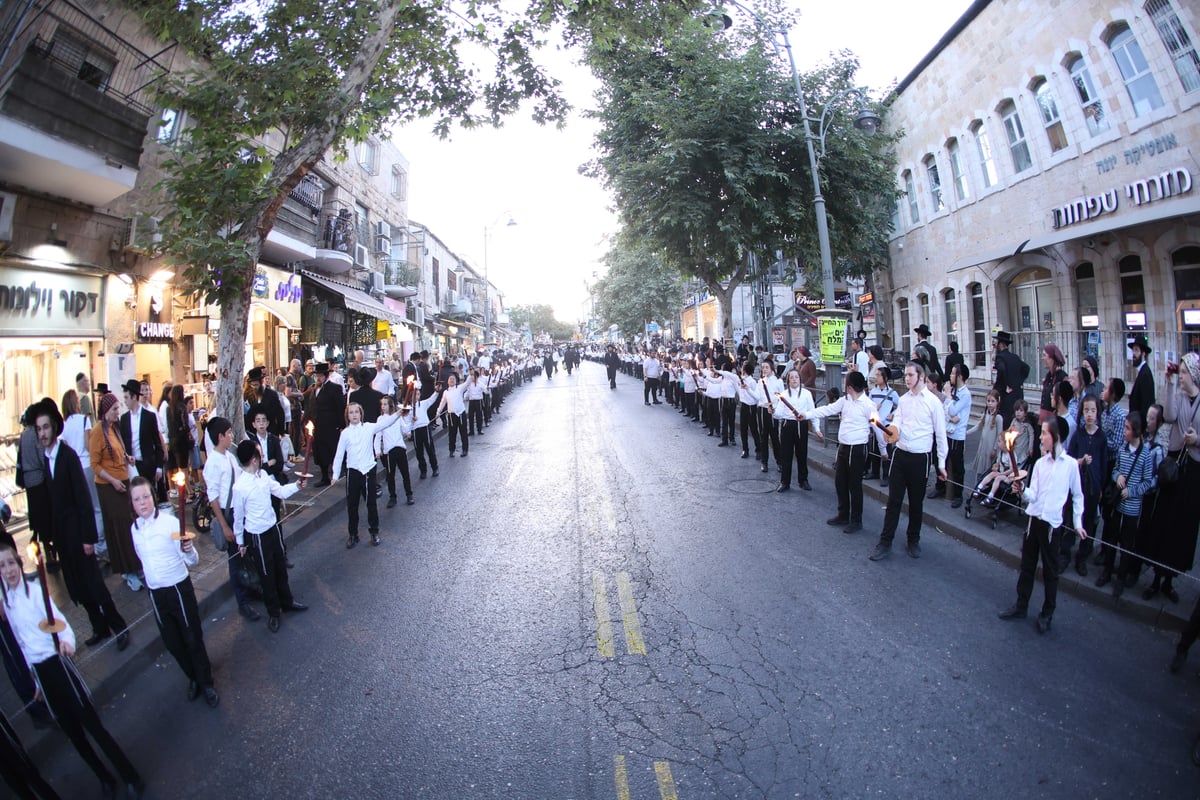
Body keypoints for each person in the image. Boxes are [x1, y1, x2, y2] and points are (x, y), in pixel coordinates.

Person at [0, 542, 143, 798]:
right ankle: (104, 777)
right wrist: (34, 681)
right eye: (2, 566)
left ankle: (130, 774)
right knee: (75, 736)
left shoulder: (36, 592)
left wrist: (67, 641)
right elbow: (21, 644)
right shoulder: (7, 605)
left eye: (11, 563)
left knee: (93, 726)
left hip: (59, 665)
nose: (8, 570)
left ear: (19, 564)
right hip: (43, 678)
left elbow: (61, 623)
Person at [35, 402, 132, 654]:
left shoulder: (67, 458)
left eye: (46, 427)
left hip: (79, 535)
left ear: (54, 428)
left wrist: (89, 537)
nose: (43, 433)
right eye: (39, 429)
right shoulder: (45, 460)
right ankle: (98, 627)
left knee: (95, 585)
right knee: (77, 586)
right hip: (63, 538)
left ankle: (119, 626)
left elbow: (83, 499)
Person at [127, 477, 218, 707]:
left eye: (146, 496)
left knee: (192, 637)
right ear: (132, 503)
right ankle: (192, 677)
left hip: (178, 588)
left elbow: (193, 560)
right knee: (173, 642)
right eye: (137, 499)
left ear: (153, 497)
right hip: (157, 594)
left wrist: (188, 550)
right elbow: (142, 559)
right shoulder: (134, 530)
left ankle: (206, 682)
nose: (142, 502)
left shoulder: (169, 523)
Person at [997, 417, 1087, 633]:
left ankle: (1047, 613)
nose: (1040, 436)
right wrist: (1022, 491)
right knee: (1027, 566)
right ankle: (1021, 605)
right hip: (1033, 522)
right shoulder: (1039, 464)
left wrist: (1077, 523)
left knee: (1050, 572)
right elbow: (1033, 495)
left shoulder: (1071, 466)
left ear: (1055, 437)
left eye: (1044, 433)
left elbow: (1077, 496)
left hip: (1051, 527)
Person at [870, 360, 949, 561]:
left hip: (920, 458)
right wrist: (892, 431)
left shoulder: (933, 403)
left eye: (910, 375)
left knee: (916, 503)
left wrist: (941, 463)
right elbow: (897, 420)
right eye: (905, 375)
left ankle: (913, 540)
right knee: (893, 501)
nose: (906, 378)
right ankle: (884, 542)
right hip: (901, 455)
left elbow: (940, 434)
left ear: (921, 377)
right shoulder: (904, 400)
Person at [232, 441, 306, 633]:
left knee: (280, 567)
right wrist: (240, 542)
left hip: (273, 529)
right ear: (254, 460)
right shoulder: (240, 487)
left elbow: (279, 491)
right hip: (257, 536)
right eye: (259, 453)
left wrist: (297, 485)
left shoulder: (263, 475)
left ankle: (287, 601)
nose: (262, 456)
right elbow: (238, 518)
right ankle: (274, 612)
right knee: (267, 575)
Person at [1145, 353, 1200, 604]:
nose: (1183, 375)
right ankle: (1156, 578)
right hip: (1174, 464)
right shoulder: (1178, 397)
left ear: (1194, 375)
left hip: (1193, 469)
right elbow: (1168, 417)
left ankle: (1169, 580)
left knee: (1182, 525)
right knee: (1164, 520)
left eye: (1186, 372)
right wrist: (1168, 382)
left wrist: (1197, 440)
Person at [202, 416, 261, 622]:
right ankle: (242, 601)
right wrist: (225, 526)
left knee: (247, 553)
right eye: (228, 434)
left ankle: (252, 588)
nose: (231, 436)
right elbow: (213, 498)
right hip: (229, 513)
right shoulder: (213, 463)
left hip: (240, 512)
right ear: (220, 437)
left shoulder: (228, 455)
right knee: (236, 560)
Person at [802, 371, 875, 533]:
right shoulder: (845, 401)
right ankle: (843, 514)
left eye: (845, 382)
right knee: (840, 482)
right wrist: (806, 414)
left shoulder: (868, 405)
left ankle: (856, 520)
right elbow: (827, 410)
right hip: (843, 447)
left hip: (857, 449)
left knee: (854, 485)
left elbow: (877, 426)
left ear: (849, 387)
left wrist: (884, 451)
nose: (843, 385)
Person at [1095, 411, 1157, 597]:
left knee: (1127, 544)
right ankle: (1107, 570)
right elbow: (1115, 470)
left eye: (1128, 429)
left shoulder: (1145, 455)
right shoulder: (1122, 449)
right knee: (1112, 538)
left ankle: (1121, 577)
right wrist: (1117, 477)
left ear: (1137, 432)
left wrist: (1132, 491)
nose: (1124, 431)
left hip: (1131, 508)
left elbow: (1148, 481)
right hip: (1117, 505)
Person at [89, 393, 143, 593]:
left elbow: (117, 454)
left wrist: (127, 459)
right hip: (109, 487)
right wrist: (112, 481)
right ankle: (126, 569)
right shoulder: (97, 432)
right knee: (119, 528)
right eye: (114, 409)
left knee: (129, 524)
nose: (117, 412)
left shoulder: (114, 430)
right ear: (105, 412)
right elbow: (94, 464)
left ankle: (134, 565)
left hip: (122, 481)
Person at [330, 402, 402, 547]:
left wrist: (398, 414)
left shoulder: (369, 427)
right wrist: (335, 476)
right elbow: (339, 455)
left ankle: (374, 532)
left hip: (368, 470)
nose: (354, 415)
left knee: (371, 503)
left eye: (357, 412)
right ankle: (353, 534)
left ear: (361, 414)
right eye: (351, 412)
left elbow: (385, 423)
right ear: (347, 416)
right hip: (353, 472)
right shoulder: (345, 433)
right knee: (352, 505)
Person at [1065, 394, 1107, 576]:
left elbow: (1104, 463)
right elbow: (1069, 457)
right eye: (1086, 410)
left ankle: (1082, 556)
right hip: (1078, 484)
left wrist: (1102, 488)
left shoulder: (1101, 437)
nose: (1089, 414)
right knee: (1071, 516)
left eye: (1092, 410)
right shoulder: (1078, 435)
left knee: (1089, 520)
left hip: (1093, 485)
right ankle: (1064, 553)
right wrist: (1079, 461)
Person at [61, 390, 105, 557]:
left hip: (73, 469)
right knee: (96, 507)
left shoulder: (63, 425)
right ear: (75, 403)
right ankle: (99, 543)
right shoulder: (84, 420)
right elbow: (88, 445)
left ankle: (87, 540)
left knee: (81, 506)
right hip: (87, 465)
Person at [120, 379, 165, 504]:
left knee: (149, 497)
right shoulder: (123, 419)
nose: (125, 401)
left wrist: (159, 467)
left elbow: (157, 443)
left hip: (147, 464)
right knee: (134, 499)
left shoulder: (149, 416)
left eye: (126, 397)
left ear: (134, 397)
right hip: (132, 466)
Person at [772, 369, 815, 492]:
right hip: (787, 425)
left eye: (796, 377)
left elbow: (812, 411)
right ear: (788, 380)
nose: (794, 379)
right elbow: (779, 414)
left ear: (800, 379)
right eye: (792, 377)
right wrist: (773, 412)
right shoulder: (784, 395)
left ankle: (803, 480)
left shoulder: (806, 394)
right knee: (786, 454)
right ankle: (785, 481)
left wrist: (816, 428)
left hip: (801, 424)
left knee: (802, 453)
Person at [310, 363, 346, 486]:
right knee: (321, 452)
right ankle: (324, 476)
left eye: (320, 375)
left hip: (331, 425)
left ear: (326, 375)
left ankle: (336, 473)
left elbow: (340, 407)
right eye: (317, 376)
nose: (318, 378)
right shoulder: (314, 389)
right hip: (318, 426)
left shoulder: (334, 388)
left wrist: (341, 425)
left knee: (333, 450)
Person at [377, 396, 415, 508]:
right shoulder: (380, 419)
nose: (383, 406)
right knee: (390, 475)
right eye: (382, 404)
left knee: (405, 473)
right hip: (389, 451)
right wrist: (377, 450)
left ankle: (409, 494)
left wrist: (412, 423)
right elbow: (378, 436)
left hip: (400, 449)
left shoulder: (398, 417)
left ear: (391, 405)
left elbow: (405, 429)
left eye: (385, 404)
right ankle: (392, 497)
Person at [944, 364, 972, 508]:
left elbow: (954, 411)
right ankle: (945, 489)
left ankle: (958, 494)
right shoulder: (954, 391)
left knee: (957, 466)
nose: (950, 376)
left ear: (960, 376)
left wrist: (949, 397)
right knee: (945, 461)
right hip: (948, 431)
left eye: (953, 374)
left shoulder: (965, 394)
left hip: (958, 435)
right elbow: (947, 411)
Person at [867, 365, 899, 487]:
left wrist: (893, 413)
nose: (876, 377)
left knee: (886, 451)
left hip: (885, 425)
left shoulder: (892, 393)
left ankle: (886, 475)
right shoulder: (873, 392)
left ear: (885, 377)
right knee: (874, 448)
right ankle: (874, 472)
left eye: (878, 375)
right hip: (875, 424)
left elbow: (900, 406)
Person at [992, 330, 1029, 427]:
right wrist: (1018, 382)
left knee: (1006, 425)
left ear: (1001, 344)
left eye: (996, 344)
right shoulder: (1015, 357)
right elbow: (1026, 368)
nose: (995, 347)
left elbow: (1002, 371)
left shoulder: (1000, 357)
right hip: (1017, 395)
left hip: (1006, 398)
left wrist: (1005, 385)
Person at [409, 386, 441, 479]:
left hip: (424, 428)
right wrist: (411, 422)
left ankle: (435, 467)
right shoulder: (409, 409)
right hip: (415, 430)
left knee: (430, 449)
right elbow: (406, 421)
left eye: (418, 394)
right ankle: (423, 470)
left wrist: (436, 391)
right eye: (414, 395)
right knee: (419, 452)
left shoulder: (423, 404)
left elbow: (432, 399)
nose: (416, 396)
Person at [435, 373, 469, 458]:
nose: (452, 380)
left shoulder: (460, 388)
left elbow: (467, 382)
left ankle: (465, 449)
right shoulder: (446, 392)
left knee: (463, 433)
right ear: (447, 381)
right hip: (451, 416)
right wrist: (438, 412)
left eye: (453, 379)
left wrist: (471, 374)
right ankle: (451, 450)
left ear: (456, 381)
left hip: (461, 414)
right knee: (452, 434)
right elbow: (442, 403)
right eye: (450, 379)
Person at [1038, 344, 1067, 425]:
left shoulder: (1062, 377)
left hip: (1054, 422)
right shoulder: (1049, 377)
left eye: (1044, 355)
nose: (1042, 358)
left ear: (1052, 358)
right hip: (1045, 421)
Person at [1128, 334, 1155, 421]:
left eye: (1136, 350)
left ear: (1143, 354)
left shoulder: (1145, 374)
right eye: (1133, 350)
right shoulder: (1142, 372)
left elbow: (1146, 404)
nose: (1133, 354)